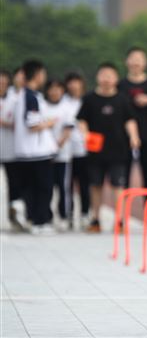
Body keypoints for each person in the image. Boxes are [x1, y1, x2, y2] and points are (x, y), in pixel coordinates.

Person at [77, 62, 140, 233]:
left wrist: (134, 136)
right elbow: (81, 120)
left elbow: (130, 120)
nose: (106, 79)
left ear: (116, 78)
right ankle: (96, 219)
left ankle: (119, 221)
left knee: (118, 185)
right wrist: (85, 134)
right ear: (98, 77)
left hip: (118, 150)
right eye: (103, 75)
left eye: (110, 75)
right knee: (95, 185)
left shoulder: (122, 99)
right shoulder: (89, 99)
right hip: (95, 149)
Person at [13, 60, 58, 235]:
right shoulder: (30, 96)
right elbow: (32, 124)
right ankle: (41, 222)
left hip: (25, 152)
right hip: (37, 152)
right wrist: (50, 122)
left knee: (31, 188)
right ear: (38, 74)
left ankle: (33, 220)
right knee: (43, 188)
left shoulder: (23, 96)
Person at [118, 47, 147, 191]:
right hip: (123, 135)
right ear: (127, 61)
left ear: (145, 63)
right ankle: (123, 206)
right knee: (123, 172)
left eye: (139, 59)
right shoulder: (121, 85)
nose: (136, 62)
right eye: (133, 58)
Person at [44, 79, 75, 231]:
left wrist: (56, 147)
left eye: (58, 89)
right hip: (44, 154)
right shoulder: (43, 106)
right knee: (47, 187)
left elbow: (67, 130)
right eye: (52, 88)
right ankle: (47, 216)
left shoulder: (66, 107)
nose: (54, 92)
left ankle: (64, 216)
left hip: (62, 154)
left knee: (63, 187)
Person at [64, 72, 90, 229]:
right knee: (67, 184)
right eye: (71, 82)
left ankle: (85, 213)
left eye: (77, 82)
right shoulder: (63, 102)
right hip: (66, 150)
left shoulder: (87, 101)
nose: (74, 86)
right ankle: (68, 214)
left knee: (84, 184)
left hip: (84, 149)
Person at [0, 69, 23, 231]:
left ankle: (14, 216)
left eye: (3, 82)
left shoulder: (15, 100)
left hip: (10, 149)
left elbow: (21, 123)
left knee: (14, 184)